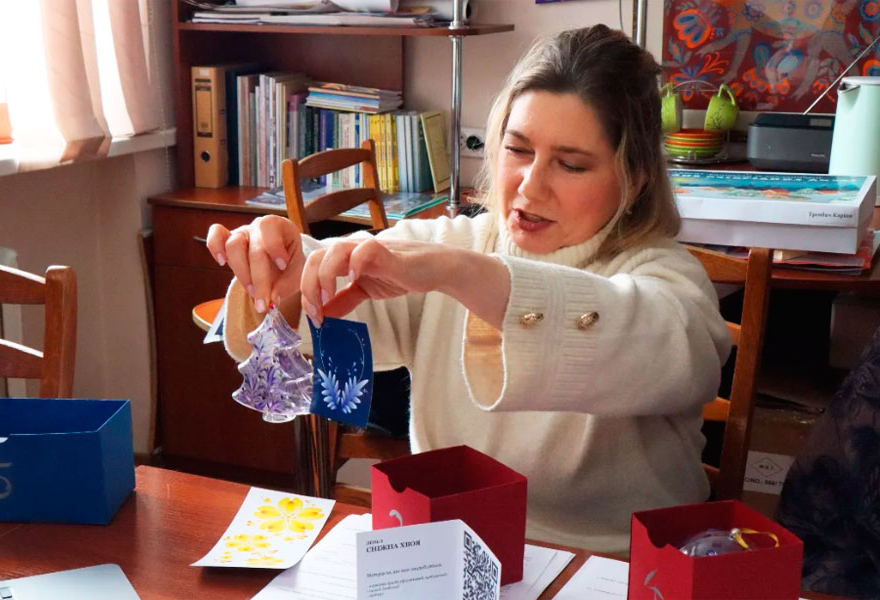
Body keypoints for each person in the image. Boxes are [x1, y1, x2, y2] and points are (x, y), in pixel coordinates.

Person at [207, 24, 732, 553]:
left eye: (571, 164)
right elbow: (328, 320)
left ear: (635, 179)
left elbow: (644, 340)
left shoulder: (669, 279)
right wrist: (286, 270)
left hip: (616, 564)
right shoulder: (446, 246)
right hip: (448, 550)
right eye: (517, 150)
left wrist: (462, 274)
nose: (530, 186)